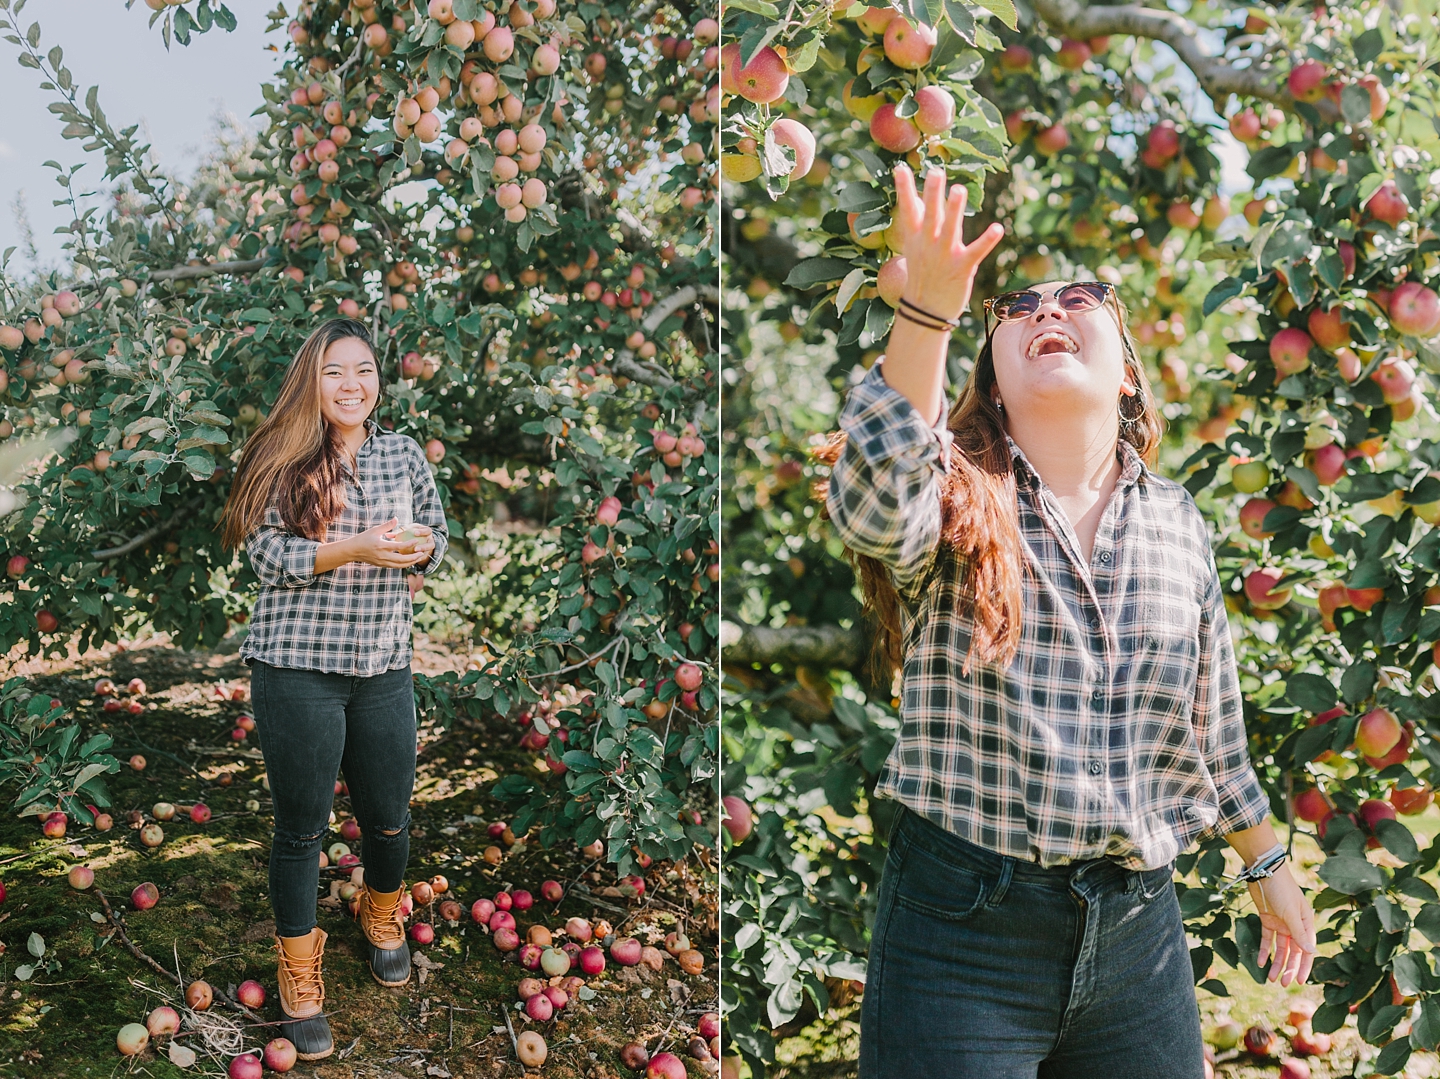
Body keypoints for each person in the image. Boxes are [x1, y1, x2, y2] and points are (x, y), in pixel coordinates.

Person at [824, 166, 1316, 1078]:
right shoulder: (958, 498)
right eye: (1016, 306)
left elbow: (1215, 731)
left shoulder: (1177, 521)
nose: (1046, 308)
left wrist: (1269, 865)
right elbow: (869, 505)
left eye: (1079, 298)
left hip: (1139, 936)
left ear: (1128, 374)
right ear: (997, 380)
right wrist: (927, 314)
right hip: (961, 935)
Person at [220, 318, 448, 1060]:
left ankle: (381, 912)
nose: (353, 385)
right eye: (335, 372)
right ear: (310, 381)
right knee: (302, 829)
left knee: (388, 816)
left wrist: (419, 551)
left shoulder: (402, 453)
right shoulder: (281, 454)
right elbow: (266, 555)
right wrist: (354, 546)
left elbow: (436, 536)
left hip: (383, 665)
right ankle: (298, 972)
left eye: (365, 371)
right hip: (296, 667)